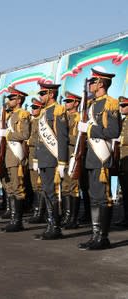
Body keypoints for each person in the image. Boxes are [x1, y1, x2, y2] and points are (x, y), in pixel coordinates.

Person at [77, 68, 120, 250]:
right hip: (91, 158)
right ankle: (95, 235)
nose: (90, 85)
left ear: (101, 83)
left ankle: (103, 237)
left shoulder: (110, 103)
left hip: (101, 159)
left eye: (93, 82)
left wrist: (89, 129)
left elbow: (113, 132)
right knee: (94, 198)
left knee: (102, 199)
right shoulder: (92, 104)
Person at [34, 82, 68, 240]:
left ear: (51, 94)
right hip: (43, 159)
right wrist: (36, 157)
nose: (40, 96)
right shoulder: (44, 112)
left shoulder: (58, 110)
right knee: (47, 193)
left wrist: (62, 161)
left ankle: (55, 228)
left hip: (53, 159)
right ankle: (50, 225)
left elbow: (62, 137)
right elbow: (39, 138)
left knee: (53, 193)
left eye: (42, 93)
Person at [0, 87, 30, 232]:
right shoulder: (10, 115)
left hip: (16, 156)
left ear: (18, 100)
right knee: (10, 188)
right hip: (7, 156)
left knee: (18, 188)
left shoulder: (23, 114)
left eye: (12, 98)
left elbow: (25, 134)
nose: (9, 101)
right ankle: (13, 219)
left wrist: (8, 135)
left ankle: (17, 221)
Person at [62, 91, 82, 229]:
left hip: (72, 155)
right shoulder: (63, 117)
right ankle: (67, 216)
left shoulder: (79, 118)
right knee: (65, 187)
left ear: (76, 103)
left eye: (69, 101)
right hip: (63, 156)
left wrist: (65, 137)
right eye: (66, 101)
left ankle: (73, 219)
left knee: (73, 186)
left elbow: (80, 140)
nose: (66, 103)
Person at [27, 98, 46, 224]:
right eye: (32, 107)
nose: (33, 110)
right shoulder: (32, 121)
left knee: (40, 186)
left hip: (39, 156)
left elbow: (41, 138)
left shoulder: (41, 121)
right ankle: (37, 211)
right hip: (31, 156)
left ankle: (40, 213)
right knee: (34, 186)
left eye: (36, 108)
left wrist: (29, 141)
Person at [116, 96, 128, 226]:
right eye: (121, 105)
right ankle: (126, 217)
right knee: (125, 192)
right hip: (123, 163)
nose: (121, 108)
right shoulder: (124, 120)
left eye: (124, 105)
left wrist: (121, 140)